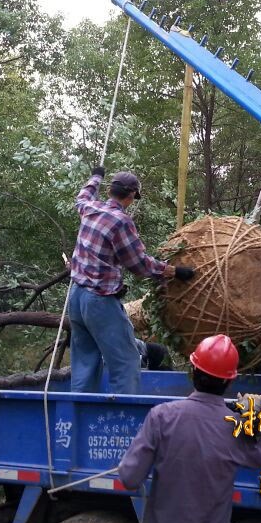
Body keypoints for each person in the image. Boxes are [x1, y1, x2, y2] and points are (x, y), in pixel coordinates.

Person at [119, 335, 261, 523]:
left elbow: (129, 478)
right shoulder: (235, 427)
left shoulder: (161, 416)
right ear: (229, 381)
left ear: (193, 370)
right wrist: (253, 420)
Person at [67, 166, 194, 394]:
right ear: (131, 195)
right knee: (126, 363)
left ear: (111, 191)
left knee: (85, 365)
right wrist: (175, 272)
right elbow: (139, 264)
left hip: (76, 298)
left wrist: (97, 176)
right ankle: (122, 425)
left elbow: (83, 195)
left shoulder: (90, 207)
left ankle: (79, 420)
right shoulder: (121, 222)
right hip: (99, 302)